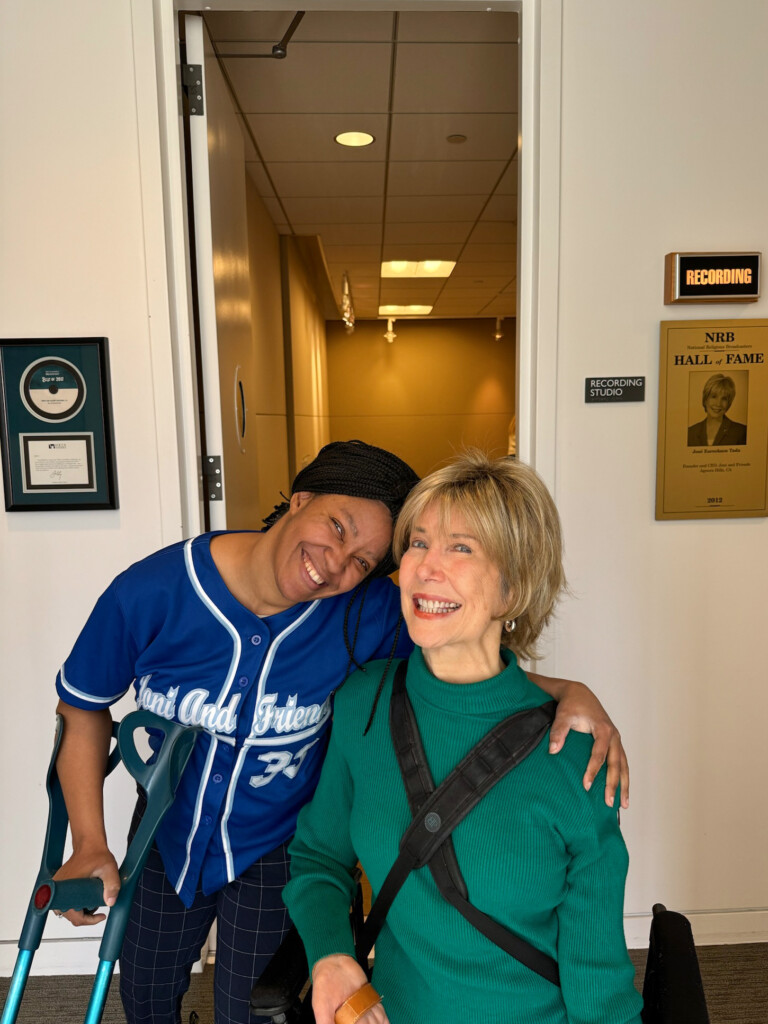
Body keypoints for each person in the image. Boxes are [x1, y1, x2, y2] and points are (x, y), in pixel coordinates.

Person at [52, 440, 628, 1024]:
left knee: (248, 1010)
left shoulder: (368, 611)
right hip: (165, 829)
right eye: (338, 526)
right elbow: (82, 709)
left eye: (363, 561)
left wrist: (565, 691)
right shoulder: (153, 590)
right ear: (300, 498)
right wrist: (89, 842)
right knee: (143, 994)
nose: (334, 564)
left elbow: (464, 660)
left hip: (273, 840)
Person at [285, 451, 642, 1024]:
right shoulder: (363, 704)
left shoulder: (576, 752)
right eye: (418, 543)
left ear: (512, 589)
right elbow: (319, 858)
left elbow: (599, 979)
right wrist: (331, 955)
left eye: (461, 548)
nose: (426, 567)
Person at [687, 373, 747, 446]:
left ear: (729, 403)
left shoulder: (741, 432)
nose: (718, 404)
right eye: (714, 396)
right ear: (705, 399)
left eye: (724, 399)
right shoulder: (690, 432)